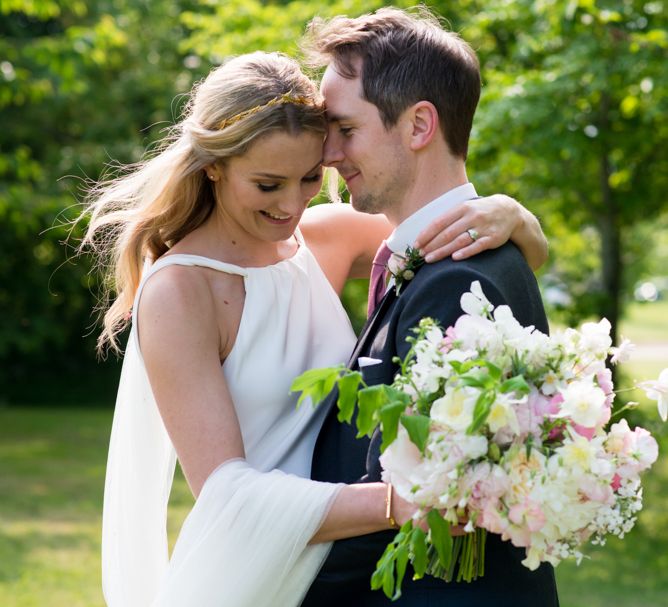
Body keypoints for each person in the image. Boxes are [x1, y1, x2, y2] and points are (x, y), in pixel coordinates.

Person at [82, 50, 548, 607]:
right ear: (214, 165)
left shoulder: (319, 238)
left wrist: (515, 216)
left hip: (343, 571)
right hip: (255, 573)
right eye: (267, 184)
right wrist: (399, 502)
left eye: (309, 177)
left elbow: (447, 226)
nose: (291, 205)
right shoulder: (182, 292)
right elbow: (223, 494)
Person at [301, 7, 560, 607]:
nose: (328, 155)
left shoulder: (459, 280)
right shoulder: (463, 253)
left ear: (419, 124)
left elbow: (419, 503)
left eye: (345, 129)